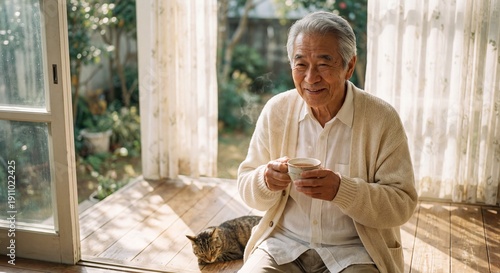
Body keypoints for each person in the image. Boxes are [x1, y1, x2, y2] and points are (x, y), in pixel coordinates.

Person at [237, 10, 418, 273]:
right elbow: (245, 185)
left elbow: (402, 205)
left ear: (349, 66)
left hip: (356, 252)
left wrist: (342, 190)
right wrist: (265, 180)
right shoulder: (277, 110)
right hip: (282, 247)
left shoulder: (382, 119)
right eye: (301, 64)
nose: (311, 78)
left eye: (324, 63)